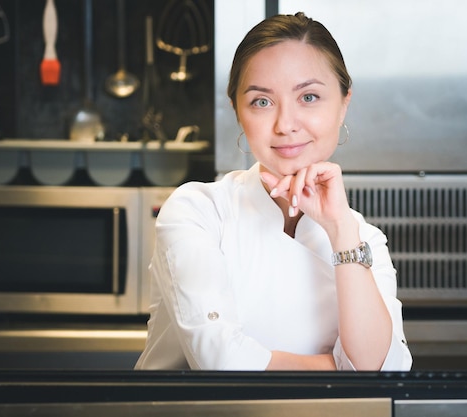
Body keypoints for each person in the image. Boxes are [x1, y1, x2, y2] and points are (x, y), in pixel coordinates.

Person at [135, 12, 412, 371]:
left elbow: (384, 366)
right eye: (261, 102)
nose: (285, 125)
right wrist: (341, 369)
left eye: (309, 97)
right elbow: (219, 360)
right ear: (238, 111)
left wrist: (341, 230)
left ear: (344, 104)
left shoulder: (363, 240)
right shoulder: (197, 212)